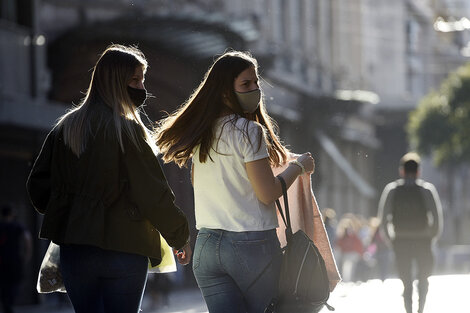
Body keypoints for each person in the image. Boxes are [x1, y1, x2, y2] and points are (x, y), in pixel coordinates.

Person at [26, 44, 191, 313]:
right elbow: (153, 193)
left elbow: (37, 188)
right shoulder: (129, 132)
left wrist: (71, 210)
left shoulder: (66, 129)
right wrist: (179, 236)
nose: (141, 88)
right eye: (135, 80)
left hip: (76, 252)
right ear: (116, 83)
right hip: (126, 249)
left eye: (142, 80)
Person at [156, 50, 315, 313]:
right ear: (224, 91)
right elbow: (268, 193)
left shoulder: (200, 134)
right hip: (251, 246)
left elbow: (200, 184)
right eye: (246, 84)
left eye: (256, 83)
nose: (255, 90)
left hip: (206, 246)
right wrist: (298, 167)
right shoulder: (250, 131)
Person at [377, 152, 443, 313]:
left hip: (401, 240)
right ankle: (420, 309)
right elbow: (437, 217)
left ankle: (409, 310)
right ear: (419, 171)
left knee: (406, 280)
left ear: (402, 171)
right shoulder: (426, 190)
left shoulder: (392, 190)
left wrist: (390, 239)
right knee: (423, 278)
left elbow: (383, 218)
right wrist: (432, 236)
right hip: (423, 240)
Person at [0, 205, 32, 313]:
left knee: (4, 283)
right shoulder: (17, 226)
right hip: (15, 260)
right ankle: (9, 303)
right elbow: (27, 239)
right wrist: (27, 255)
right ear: (11, 214)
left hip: (2, 260)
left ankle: (6, 304)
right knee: (15, 282)